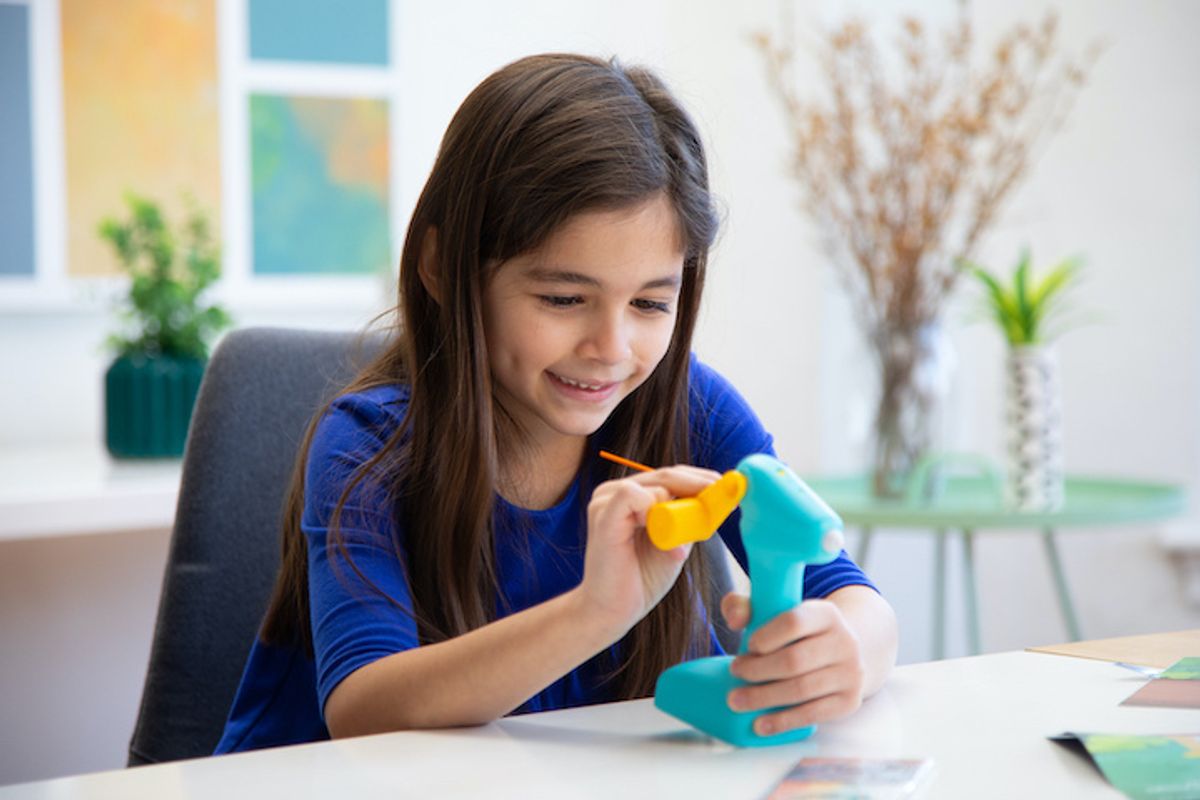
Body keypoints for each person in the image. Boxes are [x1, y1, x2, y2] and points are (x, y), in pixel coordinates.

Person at [215, 53, 897, 754]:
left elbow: (852, 595)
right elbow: (362, 709)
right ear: (440, 268)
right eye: (565, 299)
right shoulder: (368, 447)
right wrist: (594, 613)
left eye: (650, 303)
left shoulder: (688, 406)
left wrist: (845, 652)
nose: (611, 345)